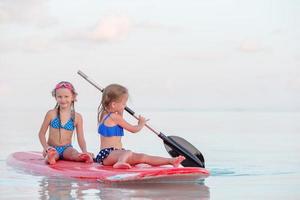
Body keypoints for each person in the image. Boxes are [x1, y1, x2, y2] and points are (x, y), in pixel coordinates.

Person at [95, 83, 185, 169]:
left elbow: (119, 120)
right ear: (114, 104)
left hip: (115, 154)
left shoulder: (105, 115)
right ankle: (120, 162)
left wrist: (120, 109)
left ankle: (171, 161)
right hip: (107, 155)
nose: (125, 106)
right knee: (128, 152)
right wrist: (141, 123)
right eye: (123, 104)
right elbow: (133, 129)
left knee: (143, 157)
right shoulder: (114, 117)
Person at [38, 81, 93, 165]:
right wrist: (46, 148)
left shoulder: (77, 117)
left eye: (66, 96)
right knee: (53, 154)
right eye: (59, 97)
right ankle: (50, 157)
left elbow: (80, 138)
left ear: (73, 97)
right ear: (55, 97)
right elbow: (41, 134)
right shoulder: (51, 114)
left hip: (66, 148)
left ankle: (83, 157)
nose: (63, 100)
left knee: (74, 154)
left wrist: (85, 151)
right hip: (52, 148)